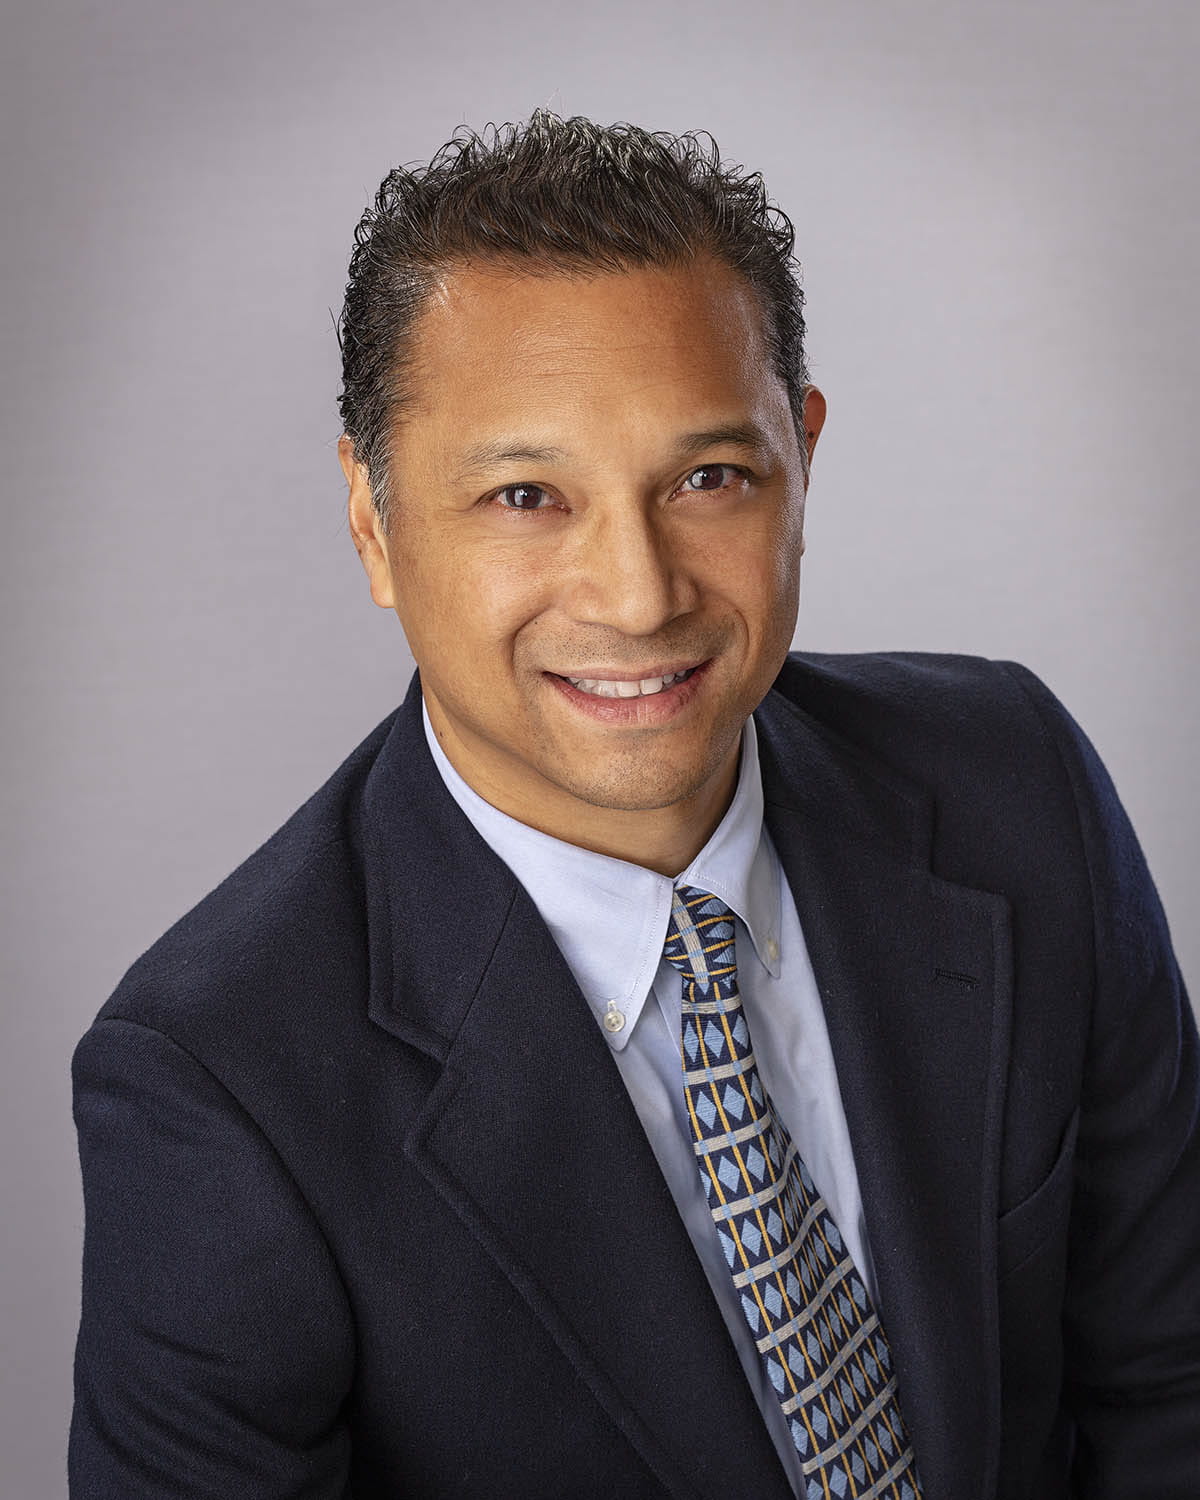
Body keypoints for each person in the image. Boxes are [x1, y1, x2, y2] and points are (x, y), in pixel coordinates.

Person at [69, 112, 1199, 1500]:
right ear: (372, 519)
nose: (640, 594)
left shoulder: (1014, 785)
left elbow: (1169, 1388)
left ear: (802, 459)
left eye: (708, 479)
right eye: (526, 495)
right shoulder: (217, 1085)